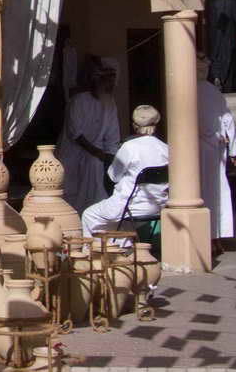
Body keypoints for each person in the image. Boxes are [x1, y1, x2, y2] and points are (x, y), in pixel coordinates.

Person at [80, 105, 169, 237]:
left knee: (89, 214)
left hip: (130, 206)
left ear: (134, 125)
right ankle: (123, 249)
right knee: (118, 221)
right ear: (156, 124)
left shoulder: (130, 147)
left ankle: (93, 254)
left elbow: (113, 176)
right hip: (158, 206)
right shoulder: (165, 148)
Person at [60, 57, 122, 214]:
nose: (111, 85)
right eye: (108, 80)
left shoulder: (110, 103)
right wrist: (97, 153)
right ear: (98, 80)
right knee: (69, 196)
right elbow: (76, 133)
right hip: (73, 154)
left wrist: (111, 156)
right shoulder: (79, 100)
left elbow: (112, 135)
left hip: (96, 159)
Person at [198, 56, 236, 250]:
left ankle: (210, 237)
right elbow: (227, 120)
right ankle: (215, 236)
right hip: (213, 148)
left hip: (201, 148)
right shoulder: (213, 91)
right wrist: (234, 149)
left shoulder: (192, 90)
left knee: (205, 192)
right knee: (215, 192)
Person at [207, 0, 236, 89]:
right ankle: (225, 82)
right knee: (228, 57)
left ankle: (217, 76)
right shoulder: (232, 3)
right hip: (229, 36)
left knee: (216, 56)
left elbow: (210, 21)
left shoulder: (213, 4)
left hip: (215, 36)